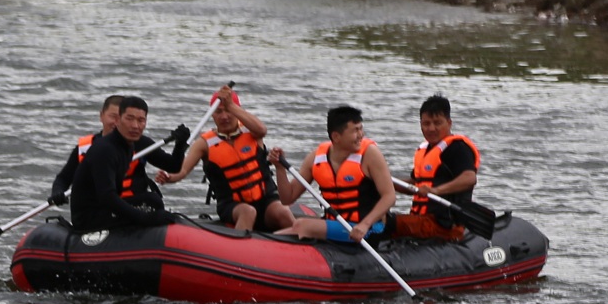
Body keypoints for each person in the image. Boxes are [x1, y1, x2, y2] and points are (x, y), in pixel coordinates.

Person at [48, 95, 191, 233]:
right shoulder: (104, 149)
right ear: (108, 117)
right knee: (151, 209)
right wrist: (146, 218)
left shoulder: (133, 143)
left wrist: (180, 144)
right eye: (129, 119)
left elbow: (174, 167)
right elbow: (106, 197)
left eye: (140, 120)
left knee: (153, 200)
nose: (135, 126)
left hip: (117, 203)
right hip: (93, 215)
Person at [161, 87, 295, 233]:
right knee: (248, 212)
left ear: (237, 110)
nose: (224, 116)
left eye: (228, 110)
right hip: (233, 205)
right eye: (218, 112)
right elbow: (183, 170)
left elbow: (262, 130)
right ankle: (239, 250)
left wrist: (231, 104)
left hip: (265, 199)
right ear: (212, 116)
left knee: (283, 212)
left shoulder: (251, 131)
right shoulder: (204, 143)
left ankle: (303, 245)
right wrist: (170, 177)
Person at [277, 105, 396, 243]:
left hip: (367, 229)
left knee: (302, 225)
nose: (361, 135)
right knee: (293, 221)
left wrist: (365, 224)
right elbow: (287, 198)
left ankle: (265, 245)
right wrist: (280, 169)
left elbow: (390, 196)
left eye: (361, 129)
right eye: (355, 130)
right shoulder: (316, 158)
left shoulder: (370, 154)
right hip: (336, 225)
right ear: (336, 136)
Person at [389, 94, 480, 241]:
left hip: (443, 226)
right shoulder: (425, 150)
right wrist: (386, 182)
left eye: (437, 123)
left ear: (449, 123)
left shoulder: (457, 148)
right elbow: (415, 184)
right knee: (380, 220)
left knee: (386, 223)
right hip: (420, 220)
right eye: (426, 123)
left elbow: (469, 178)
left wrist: (436, 191)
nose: (431, 128)